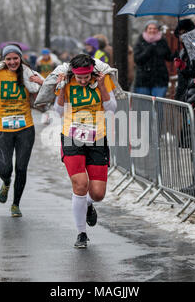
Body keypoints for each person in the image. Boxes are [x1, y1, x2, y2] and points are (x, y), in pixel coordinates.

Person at [53, 54, 117, 248]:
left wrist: (102, 87)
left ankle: (88, 204)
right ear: (73, 73)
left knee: (98, 193)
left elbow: (112, 108)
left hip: (96, 137)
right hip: (72, 136)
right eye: (79, 78)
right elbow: (58, 111)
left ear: (91, 72)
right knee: (80, 184)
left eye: (86, 77)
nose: (82, 81)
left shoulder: (102, 79)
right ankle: (81, 233)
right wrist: (63, 88)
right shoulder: (66, 81)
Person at [0, 44, 41, 217]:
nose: (12, 62)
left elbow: (39, 100)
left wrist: (39, 84)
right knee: (5, 169)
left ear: (20, 58)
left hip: (25, 128)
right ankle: (5, 182)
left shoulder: (27, 74)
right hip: (2, 128)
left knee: (21, 167)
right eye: (9, 59)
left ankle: (16, 204)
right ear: (4, 60)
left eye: (15, 58)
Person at [133, 20, 173, 97]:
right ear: (146, 30)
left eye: (155, 28)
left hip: (160, 80)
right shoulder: (140, 41)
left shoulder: (162, 41)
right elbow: (137, 59)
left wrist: (175, 54)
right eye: (150, 28)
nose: (152, 30)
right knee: (144, 107)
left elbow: (168, 57)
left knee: (158, 106)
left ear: (158, 30)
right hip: (143, 81)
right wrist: (148, 50)